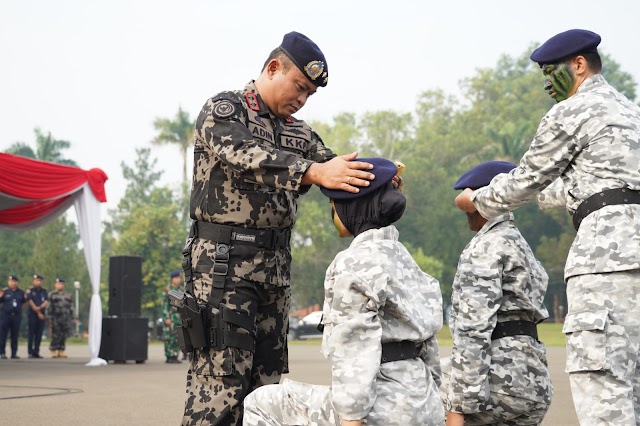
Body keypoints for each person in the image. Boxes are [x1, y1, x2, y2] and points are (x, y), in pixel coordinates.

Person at [179, 31, 375, 425]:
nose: (301, 99)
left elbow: (336, 171)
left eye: (309, 94)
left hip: (274, 271)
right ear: (273, 68)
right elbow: (246, 156)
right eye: (299, 87)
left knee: (266, 392)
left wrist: (377, 180)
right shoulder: (226, 110)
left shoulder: (299, 133)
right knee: (220, 387)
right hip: (223, 266)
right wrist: (314, 170)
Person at [454, 29, 640, 424]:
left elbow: (526, 181)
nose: (545, 83)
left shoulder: (572, 112)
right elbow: (576, 187)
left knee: (604, 383)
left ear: (579, 65)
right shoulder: (630, 113)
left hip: (606, 263)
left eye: (550, 71)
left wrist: (478, 200)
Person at [243, 158, 445, 426]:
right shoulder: (409, 262)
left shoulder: (351, 262)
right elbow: (429, 348)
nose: (333, 211)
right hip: (425, 403)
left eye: (333, 204)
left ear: (350, 207)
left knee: (260, 402)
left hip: (382, 409)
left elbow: (355, 350)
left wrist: (352, 420)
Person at [442, 161, 553, 426]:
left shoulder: (485, 246)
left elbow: (473, 330)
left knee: (408, 401)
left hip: (497, 381)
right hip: (533, 381)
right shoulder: (521, 245)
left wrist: (459, 404)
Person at [0, 275, 27, 359]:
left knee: (14, 335)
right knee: (3, 335)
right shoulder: (4, 292)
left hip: (16, 316)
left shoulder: (21, 292)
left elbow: (23, 303)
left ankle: (14, 353)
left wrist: (19, 310)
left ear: (17, 282)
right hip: (6, 316)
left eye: (14, 281)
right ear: (8, 282)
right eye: (11, 281)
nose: (13, 283)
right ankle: (2, 353)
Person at [48, 278, 73, 358]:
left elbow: (71, 307)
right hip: (55, 317)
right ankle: (53, 350)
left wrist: (74, 316)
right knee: (55, 334)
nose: (60, 285)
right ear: (55, 285)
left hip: (65, 317)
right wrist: (49, 317)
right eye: (58, 284)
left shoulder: (67, 295)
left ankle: (61, 350)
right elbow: (49, 307)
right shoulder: (52, 294)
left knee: (63, 335)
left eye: (61, 284)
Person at [162, 269, 183, 364]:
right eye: (176, 278)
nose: (178, 280)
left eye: (179, 278)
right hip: (170, 318)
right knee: (169, 337)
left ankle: (175, 355)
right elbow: (165, 305)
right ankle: (169, 356)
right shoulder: (168, 290)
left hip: (178, 318)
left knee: (177, 337)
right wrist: (166, 317)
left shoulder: (181, 290)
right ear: (172, 279)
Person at [26, 273, 48, 359]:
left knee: (39, 334)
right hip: (33, 315)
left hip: (42, 315)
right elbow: (30, 302)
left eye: (39, 280)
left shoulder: (44, 291)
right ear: (33, 281)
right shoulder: (30, 291)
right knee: (31, 334)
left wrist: (41, 308)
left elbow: (46, 301)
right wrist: (38, 311)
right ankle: (30, 352)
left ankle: (36, 351)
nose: (38, 282)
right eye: (36, 280)